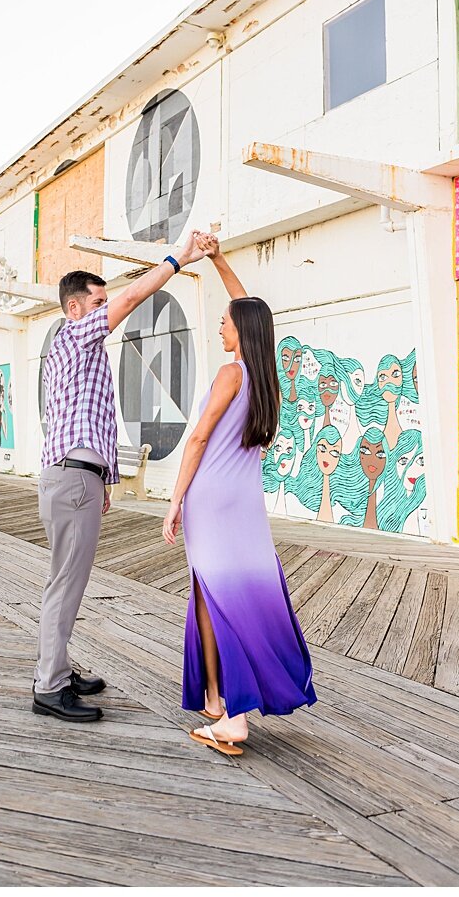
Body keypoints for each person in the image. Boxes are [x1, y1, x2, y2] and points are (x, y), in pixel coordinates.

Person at [32, 231, 211, 723]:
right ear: (75, 309)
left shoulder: (76, 349)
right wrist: (180, 258)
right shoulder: (75, 333)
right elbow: (134, 296)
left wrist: (103, 478)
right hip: (71, 479)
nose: (108, 308)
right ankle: (49, 686)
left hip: (76, 478)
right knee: (65, 584)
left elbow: (90, 418)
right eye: (99, 301)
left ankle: (59, 668)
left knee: (64, 579)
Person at [162, 234, 316, 754]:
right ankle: (214, 697)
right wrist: (219, 259)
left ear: (239, 331)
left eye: (225, 322)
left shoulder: (231, 373)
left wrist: (175, 499)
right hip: (245, 505)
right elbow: (249, 310)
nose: (221, 325)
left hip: (210, 498)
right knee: (221, 595)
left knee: (213, 595)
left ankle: (231, 717)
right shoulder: (264, 377)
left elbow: (199, 437)